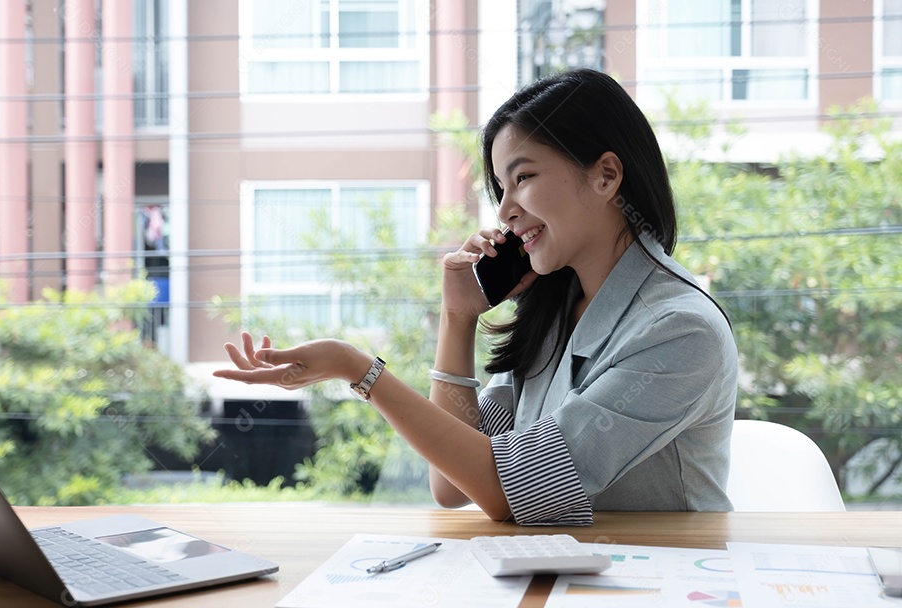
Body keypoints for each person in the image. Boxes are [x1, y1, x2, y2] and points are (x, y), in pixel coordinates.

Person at [213, 68, 738, 525]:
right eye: (500, 190)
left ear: (605, 175)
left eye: (523, 177)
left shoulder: (680, 329)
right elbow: (451, 485)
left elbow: (508, 490)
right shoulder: (558, 309)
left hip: (666, 579)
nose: (505, 211)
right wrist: (458, 317)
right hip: (570, 571)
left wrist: (356, 368)